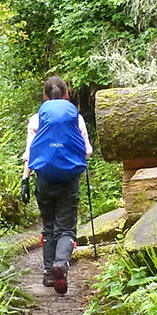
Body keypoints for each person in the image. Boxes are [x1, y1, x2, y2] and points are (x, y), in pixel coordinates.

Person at [21, 76, 92, 295]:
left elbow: (30, 154)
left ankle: (48, 273)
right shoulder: (76, 118)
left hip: (44, 178)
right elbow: (87, 150)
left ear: (45, 97)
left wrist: (25, 180)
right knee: (67, 227)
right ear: (66, 95)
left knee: (48, 226)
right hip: (70, 179)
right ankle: (61, 263)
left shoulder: (36, 119)